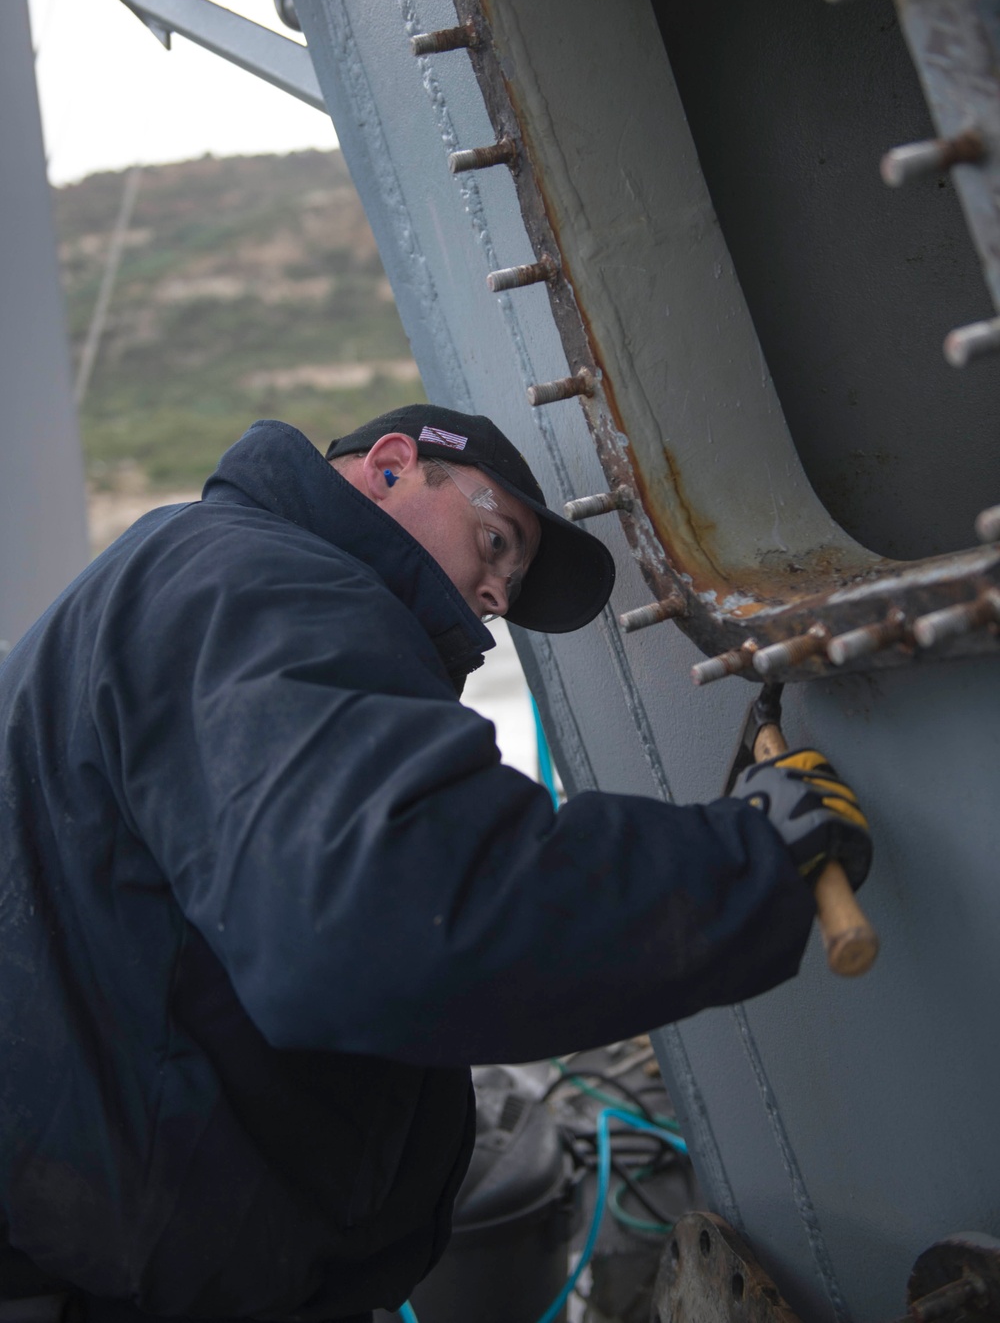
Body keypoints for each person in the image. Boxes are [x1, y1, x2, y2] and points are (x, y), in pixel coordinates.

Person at [0, 406, 871, 1323]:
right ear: (389, 467)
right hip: (127, 1281)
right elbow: (397, 914)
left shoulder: (198, 565)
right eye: (495, 542)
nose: (496, 599)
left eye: (510, 579)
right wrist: (754, 855)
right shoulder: (264, 586)